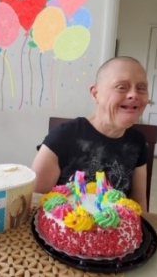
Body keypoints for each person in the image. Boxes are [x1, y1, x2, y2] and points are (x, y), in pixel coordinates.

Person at [31, 56, 149, 212]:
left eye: (141, 88)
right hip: (67, 228)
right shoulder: (63, 137)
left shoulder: (137, 142)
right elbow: (35, 199)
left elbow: (138, 199)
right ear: (95, 94)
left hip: (115, 230)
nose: (134, 95)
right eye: (122, 87)